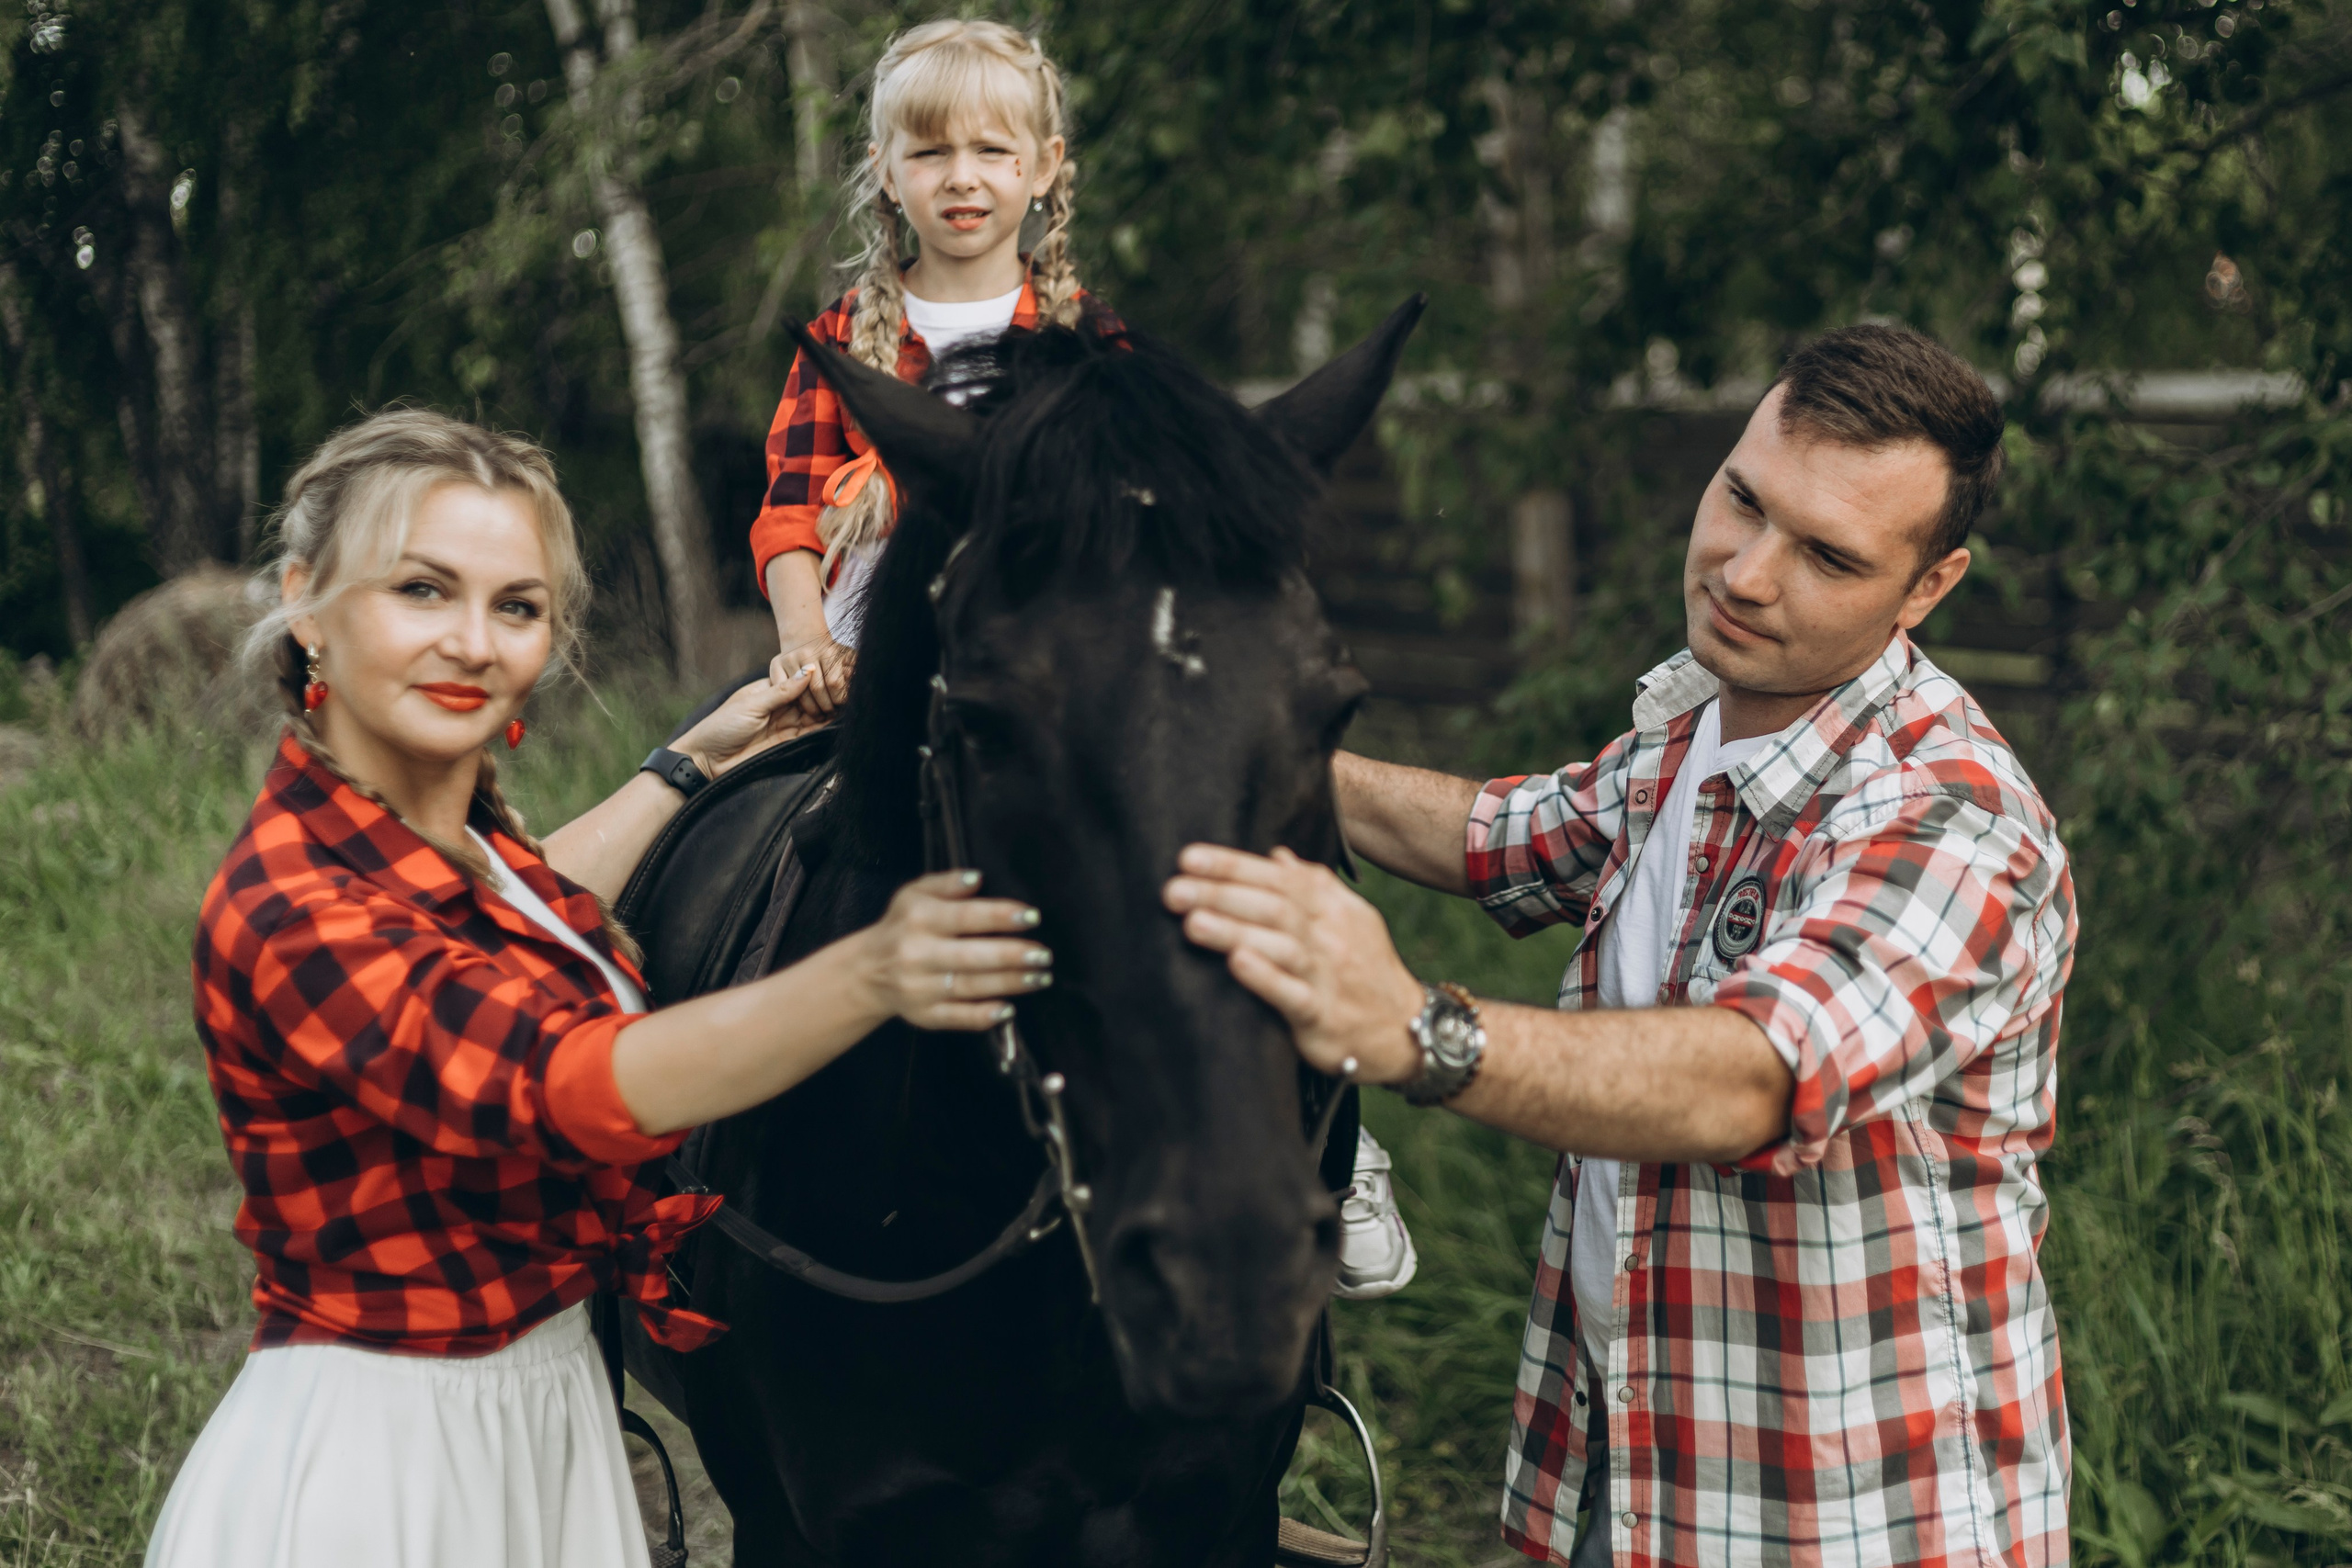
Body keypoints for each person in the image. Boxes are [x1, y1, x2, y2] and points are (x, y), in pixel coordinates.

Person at [1166, 324, 2077, 1565]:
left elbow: (1752, 1074)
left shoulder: (1949, 818)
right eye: (1743, 499)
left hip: (1851, 1512)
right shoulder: (1696, 735)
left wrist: (1420, 1030)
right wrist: (1211, 744)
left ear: (1928, 587)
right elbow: (1495, 834)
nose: (1748, 573)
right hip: (1638, 1459)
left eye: (1828, 555)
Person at [146, 410, 1053, 1568]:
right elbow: (567, 1086)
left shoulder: (449, 841)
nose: (474, 643)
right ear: (309, 605)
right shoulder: (291, 904)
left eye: (516, 606)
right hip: (388, 1466)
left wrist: (698, 760)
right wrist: (870, 974)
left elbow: (517, 919)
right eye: (422, 590)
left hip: (541, 1417)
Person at [743, 18, 1419, 1297]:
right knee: (709, 825)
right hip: (857, 658)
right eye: (929, 150)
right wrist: (801, 639)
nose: (962, 176)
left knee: (1259, 831)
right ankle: (679, 1123)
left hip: (1052, 665)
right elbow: (785, 508)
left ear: (1046, 168)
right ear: (884, 171)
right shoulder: (842, 337)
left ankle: (1341, 1137)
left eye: (992, 148)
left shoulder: (1093, 343)